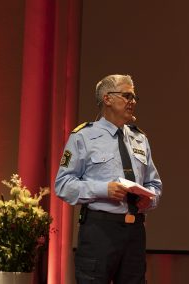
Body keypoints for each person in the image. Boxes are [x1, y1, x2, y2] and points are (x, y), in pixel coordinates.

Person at [55, 74, 162, 284]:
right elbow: (63, 185)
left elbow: (154, 184)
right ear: (107, 99)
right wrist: (104, 189)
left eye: (134, 97)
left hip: (135, 232)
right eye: (126, 95)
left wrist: (150, 199)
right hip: (99, 231)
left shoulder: (140, 138)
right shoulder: (83, 137)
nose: (132, 101)